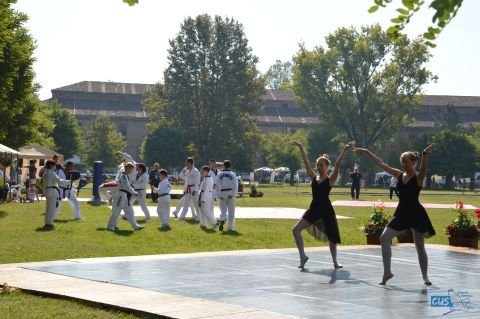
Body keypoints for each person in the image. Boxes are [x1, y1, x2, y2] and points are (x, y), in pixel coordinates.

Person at [354, 144, 435, 286]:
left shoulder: (418, 177)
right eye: (402, 161)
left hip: (416, 213)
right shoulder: (399, 174)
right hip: (401, 212)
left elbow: (423, 169)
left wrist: (425, 154)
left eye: (406, 161)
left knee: (419, 246)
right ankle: (387, 272)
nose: (404, 164)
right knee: (384, 238)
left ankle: (425, 276)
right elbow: (381, 164)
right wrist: (367, 151)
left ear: (413, 162)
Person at [290, 140, 353, 269]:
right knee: (296, 230)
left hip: (326, 211)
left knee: (332, 238)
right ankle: (302, 257)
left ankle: (335, 262)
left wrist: (345, 150)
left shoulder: (330, 180)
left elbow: (337, 164)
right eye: (317, 165)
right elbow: (306, 162)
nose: (319, 167)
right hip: (314, 209)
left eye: (321, 165)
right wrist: (301, 146)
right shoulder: (314, 177)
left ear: (326, 166)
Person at [107, 162, 144, 231]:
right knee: (116, 211)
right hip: (121, 195)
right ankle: (110, 226)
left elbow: (129, 186)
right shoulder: (123, 176)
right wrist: (134, 192)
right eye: (130, 169)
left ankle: (135, 226)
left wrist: (133, 192)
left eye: (132, 169)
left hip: (125, 196)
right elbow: (126, 186)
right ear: (127, 168)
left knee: (130, 211)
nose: (131, 170)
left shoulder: (126, 176)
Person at [41, 160, 69, 230]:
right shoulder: (52, 173)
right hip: (52, 191)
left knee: (48, 208)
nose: (55, 167)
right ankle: (49, 223)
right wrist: (69, 182)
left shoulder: (45, 173)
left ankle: (47, 222)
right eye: (54, 165)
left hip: (48, 191)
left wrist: (44, 192)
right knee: (51, 208)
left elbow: (43, 184)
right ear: (51, 165)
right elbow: (59, 181)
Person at [215, 160, 238, 231]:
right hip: (230, 193)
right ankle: (230, 227)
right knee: (231, 212)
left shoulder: (219, 174)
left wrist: (219, 195)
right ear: (230, 166)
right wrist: (233, 194)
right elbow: (235, 185)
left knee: (223, 211)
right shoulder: (233, 174)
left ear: (223, 165)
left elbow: (217, 185)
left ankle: (222, 219)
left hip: (222, 193)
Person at [199, 166, 217, 230]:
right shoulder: (206, 178)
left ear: (206, 171)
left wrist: (203, 199)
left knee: (206, 210)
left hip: (206, 195)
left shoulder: (208, 179)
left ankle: (214, 222)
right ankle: (202, 224)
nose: (202, 172)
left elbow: (206, 190)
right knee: (202, 211)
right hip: (204, 194)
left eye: (203, 171)